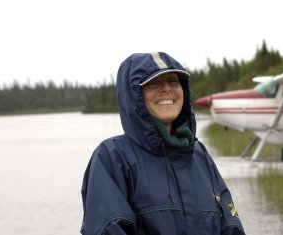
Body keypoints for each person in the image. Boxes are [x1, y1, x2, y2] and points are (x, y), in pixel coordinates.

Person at [80, 52, 245, 235]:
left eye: (173, 81)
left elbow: (232, 227)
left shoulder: (200, 155)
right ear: (134, 96)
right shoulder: (112, 157)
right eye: (152, 83)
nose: (166, 89)